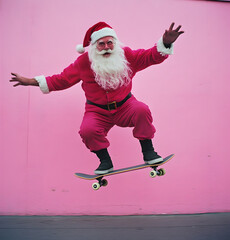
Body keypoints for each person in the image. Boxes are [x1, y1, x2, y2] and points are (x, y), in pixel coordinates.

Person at [10, 22, 184, 174]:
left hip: (125, 106)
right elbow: (62, 80)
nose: (107, 47)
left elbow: (148, 57)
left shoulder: (126, 55)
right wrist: (30, 81)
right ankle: (105, 162)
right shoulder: (84, 62)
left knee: (142, 110)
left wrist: (166, 43)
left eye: (110, 43)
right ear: (94, 46)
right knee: (87, 130)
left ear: (115, 43)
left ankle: (148, 152)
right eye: (101, 44)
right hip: (97, 110)